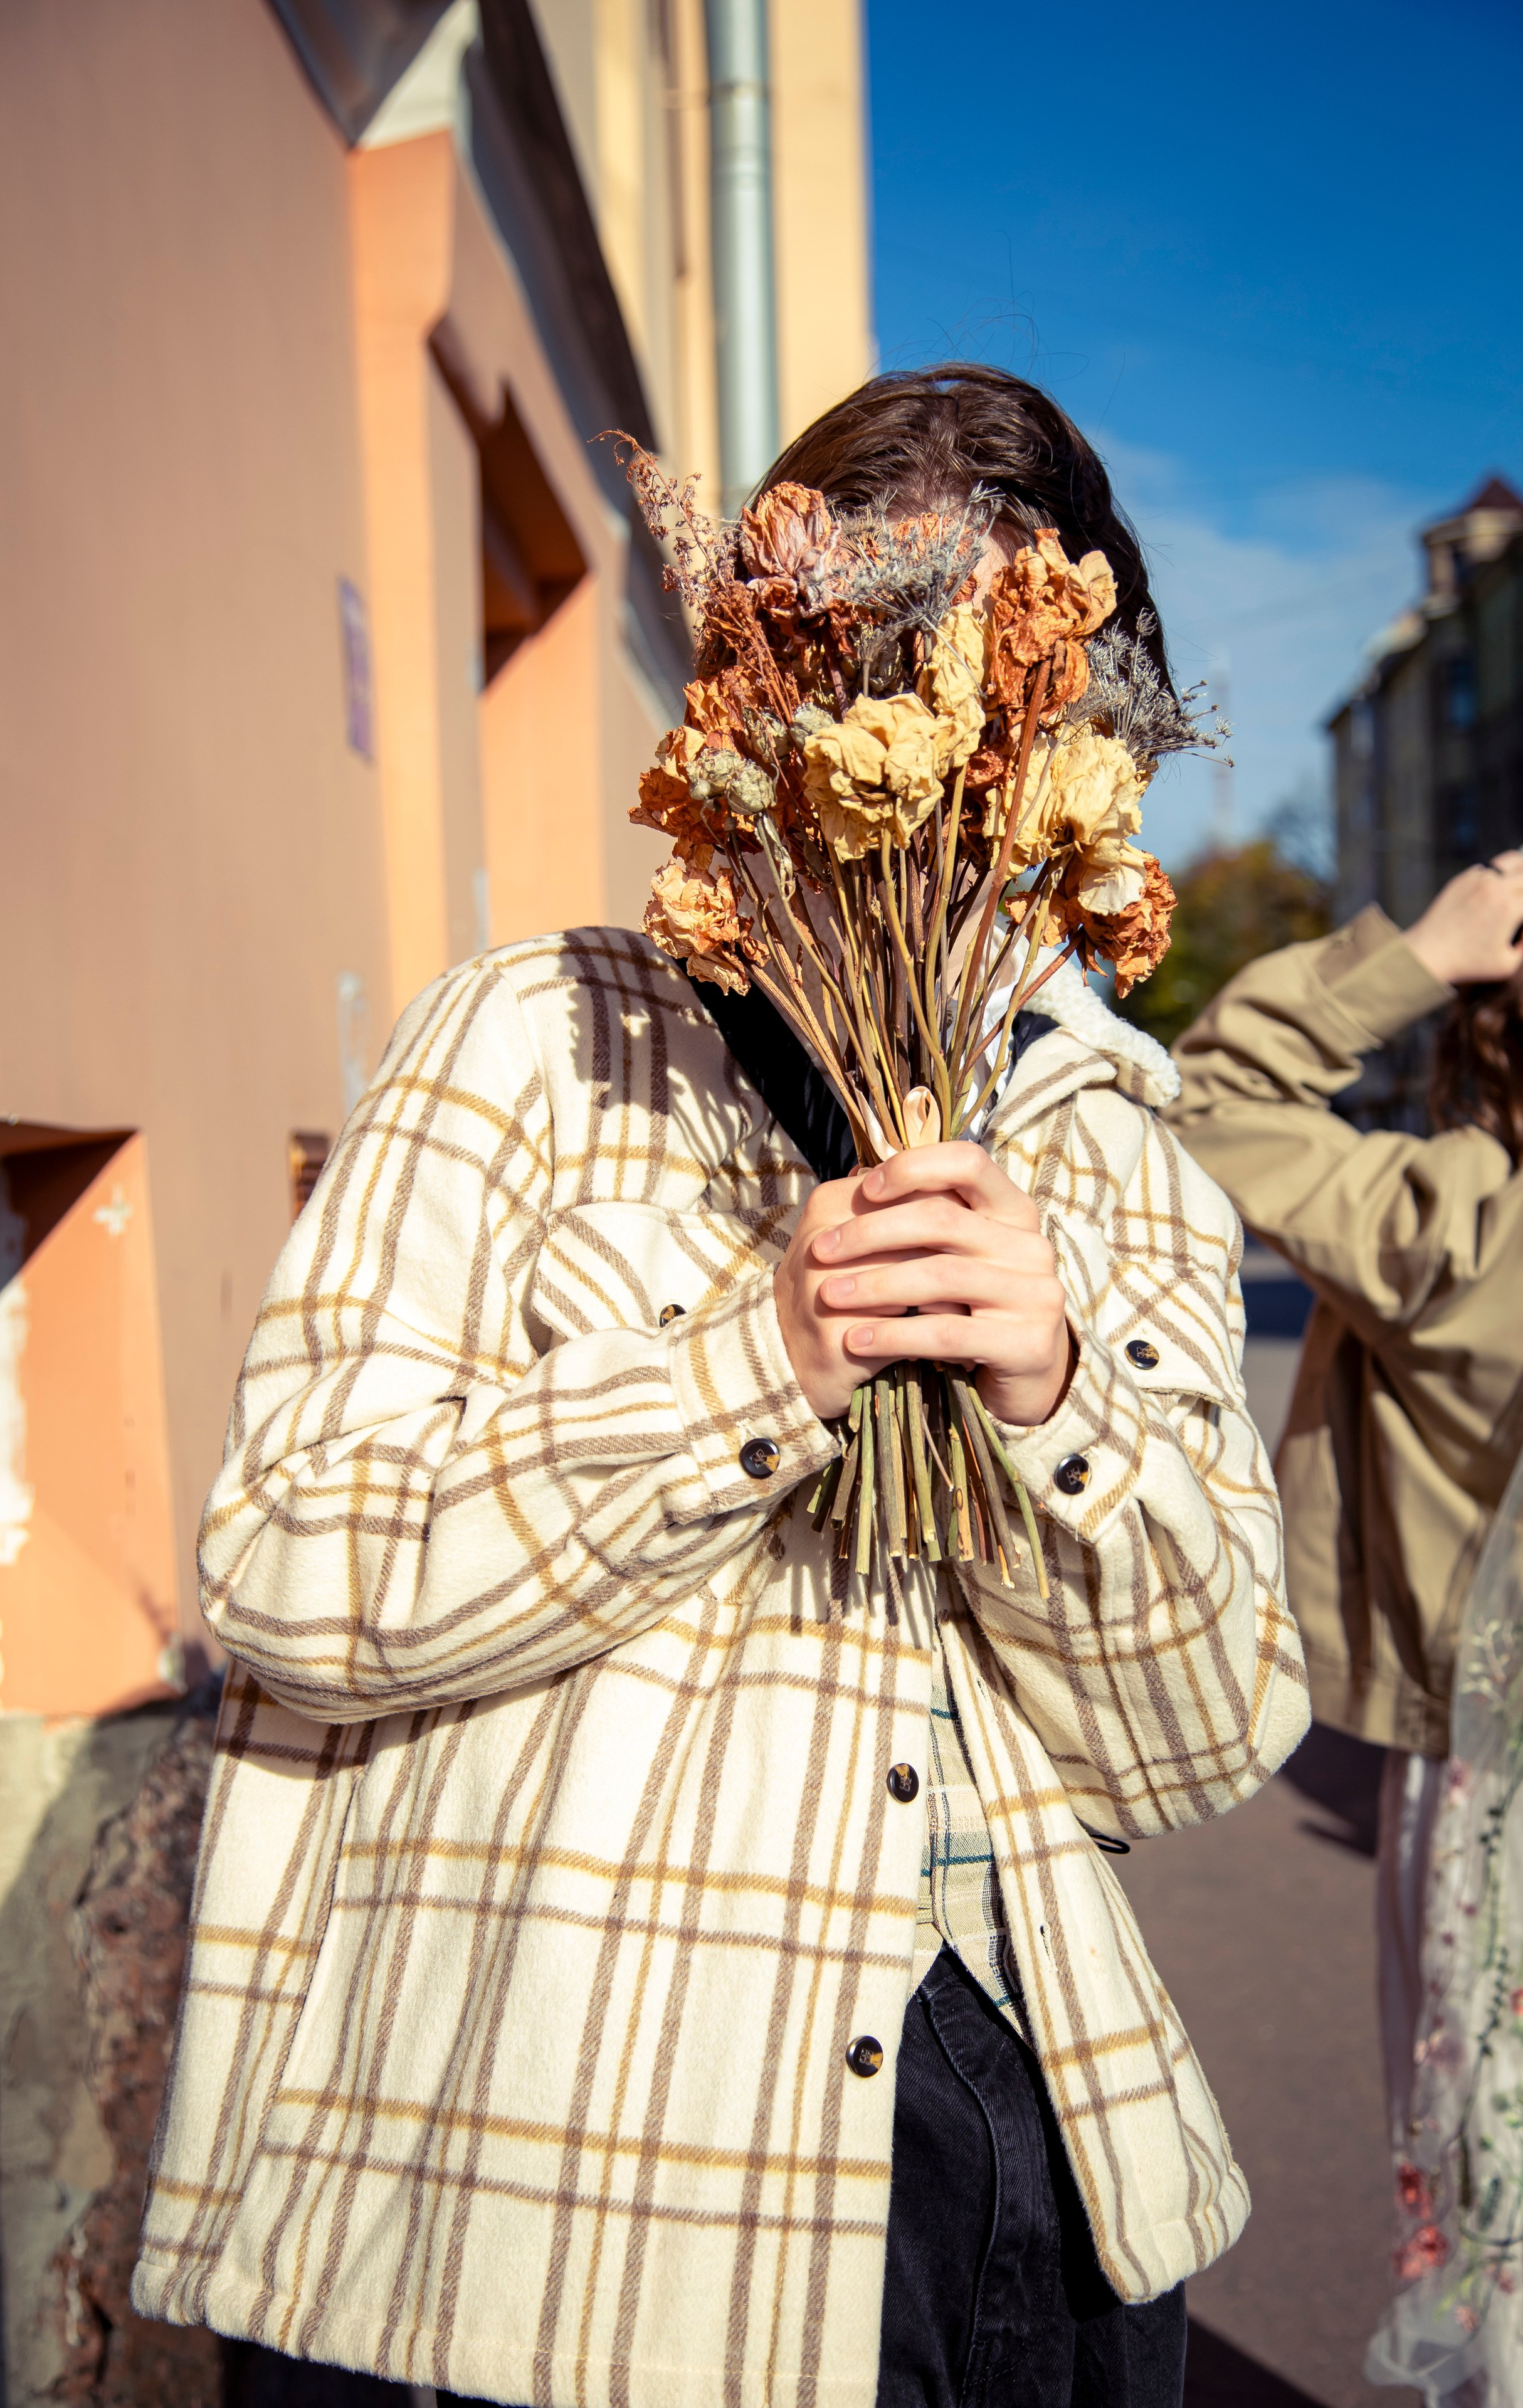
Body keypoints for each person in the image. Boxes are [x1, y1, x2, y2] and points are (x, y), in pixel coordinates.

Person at [133, 365, 1308, 2408]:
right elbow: (291, 1571)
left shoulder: (1115, 1145)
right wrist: (751, 1367)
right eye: (856, 651)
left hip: (1017, 2186)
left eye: (987, 676)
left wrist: (1055, 1404)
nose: (911, 725)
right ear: (755, 685)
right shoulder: (537, 1036)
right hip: (569, 2201)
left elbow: (1203, 1741)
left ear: (1075, 728)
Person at [1163, 852, 1523, 2393]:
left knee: (1489, 2161)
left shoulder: (1456, 1225)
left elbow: (1207, 1096)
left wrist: (1419, 951)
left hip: (1488, 1773)